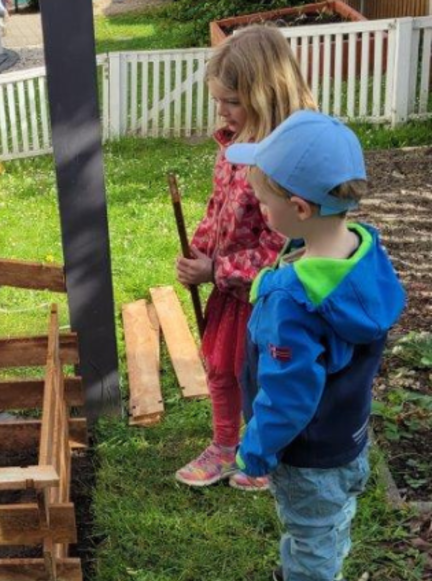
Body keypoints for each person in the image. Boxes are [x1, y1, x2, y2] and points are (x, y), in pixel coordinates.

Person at [227, 111, 404, 581]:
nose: (261, 207)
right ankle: (328, 576)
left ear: (299, 209)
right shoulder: (364, 251)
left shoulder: (293, 300)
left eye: (264, 200)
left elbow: (288, 394)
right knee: (334, 514)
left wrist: (257, 450)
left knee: (308, 528)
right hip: (348, 434)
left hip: (307, 449)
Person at [174, 25, 316, 492]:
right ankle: (224, 446)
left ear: (267, 94)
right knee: (220, 367)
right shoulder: (232, 147)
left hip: (266, 296)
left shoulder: (288, 162)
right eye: (218, 100)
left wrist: (217, 270)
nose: (221, 111)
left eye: (231, 101)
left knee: (260, 376)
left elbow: (283, 250)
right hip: (229, 291)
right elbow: (217, 208)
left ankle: (263, 452)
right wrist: (199, 251)